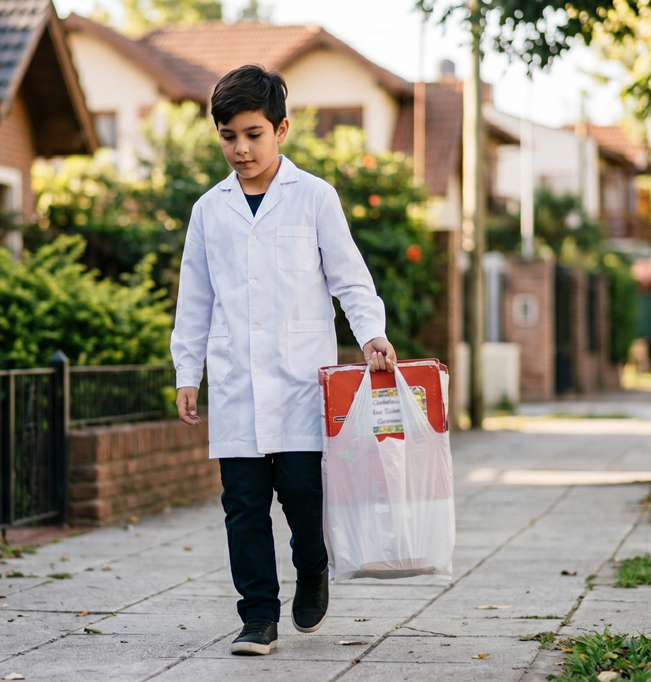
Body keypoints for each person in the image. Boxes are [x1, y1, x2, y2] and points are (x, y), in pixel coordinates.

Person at [170, 64, 396, 656]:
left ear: (281, 130)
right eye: (228, 137)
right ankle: (258, 616)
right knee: (243, 506)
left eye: (253, 134)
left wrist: (371, 335)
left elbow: (350, 278)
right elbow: (194, 300)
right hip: (236, 385)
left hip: (300, 383)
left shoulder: (315, 197)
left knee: (302, 497)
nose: (240, 149)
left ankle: (313, 565)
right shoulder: (208, 210)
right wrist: (187, 373)